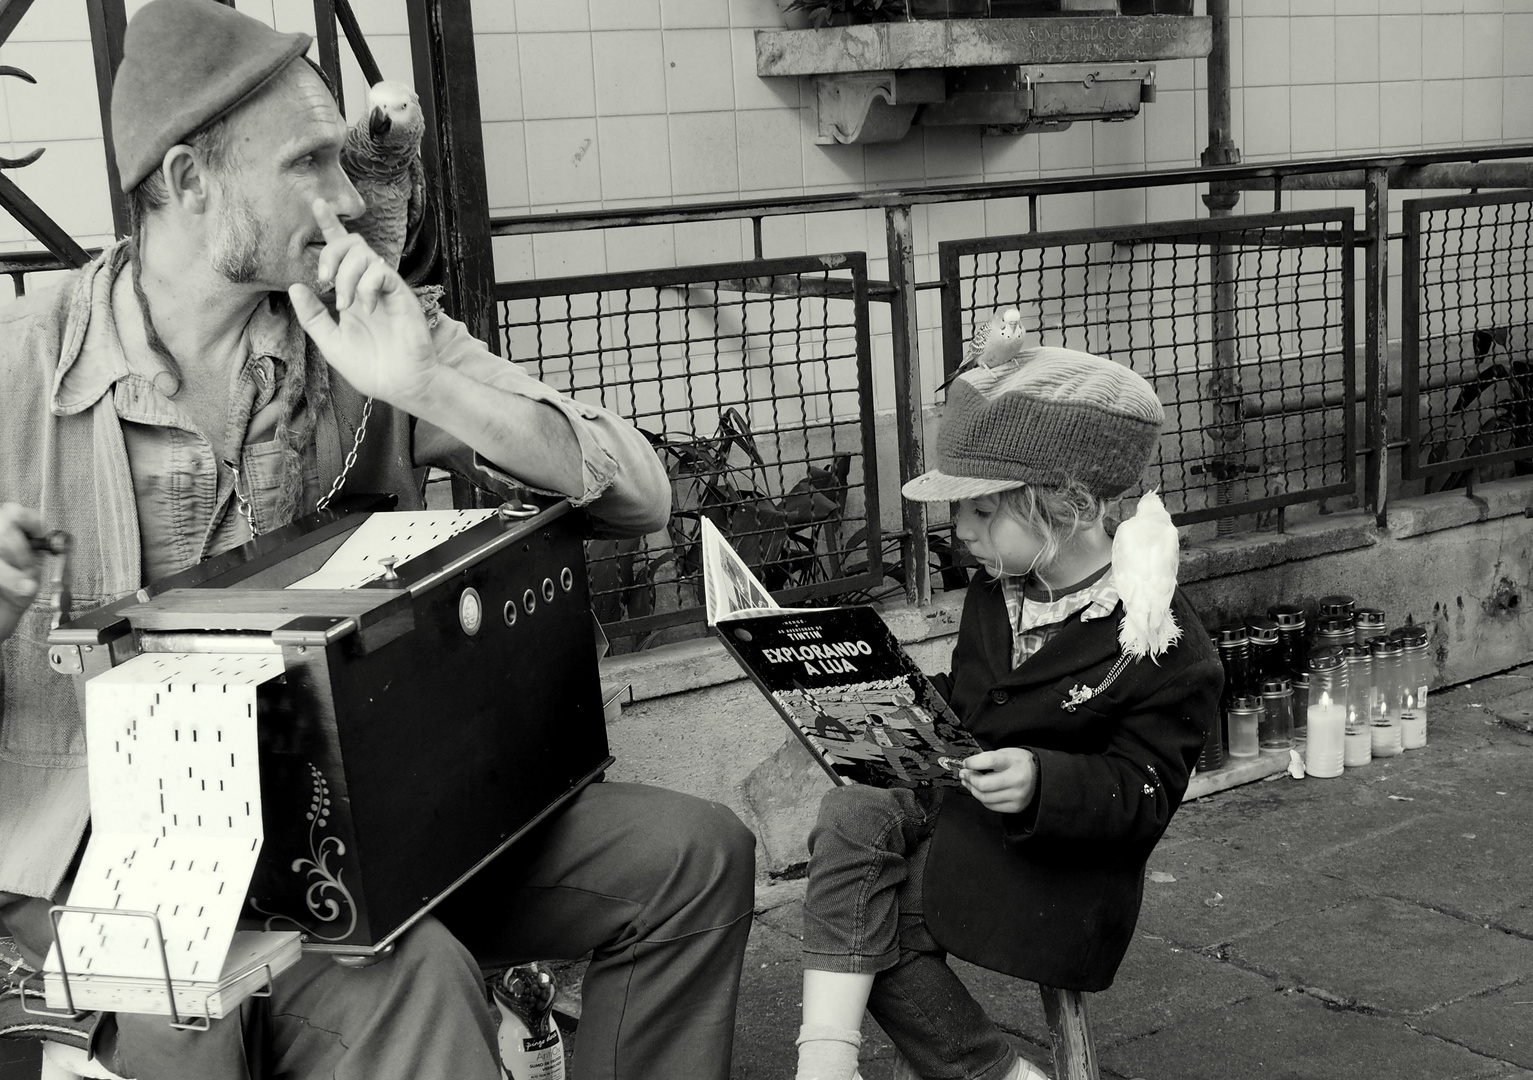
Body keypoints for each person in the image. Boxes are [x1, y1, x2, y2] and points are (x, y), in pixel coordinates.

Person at [0, 2, 754, 1078]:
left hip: (379, 821)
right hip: (125, 872)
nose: (349, 197)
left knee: (693, 859)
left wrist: (422, 380)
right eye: (309, 161)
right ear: (186, 180)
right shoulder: (19, 370)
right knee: (412, 978)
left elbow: (640, 495)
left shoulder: (360, 323)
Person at [791, 349, 1223, 1080]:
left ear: (1073, 506)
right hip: (963, 812)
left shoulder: (1162, 642)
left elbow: (1142, 795)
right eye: (958, 506)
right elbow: (977, 703)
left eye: (983, 507)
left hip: (1056, 871)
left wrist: (1040, 781)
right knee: (852, 810)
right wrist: (877, 708)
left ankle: (991, 1073)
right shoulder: (1000, 586)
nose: (958, 526)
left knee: (871, 915)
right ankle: (825, 1064)